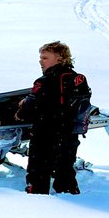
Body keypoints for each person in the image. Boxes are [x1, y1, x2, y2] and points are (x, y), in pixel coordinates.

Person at [14, 41, 92, 195]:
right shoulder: (79, 79)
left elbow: (31, 106)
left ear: (59, 58)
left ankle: (37, 196)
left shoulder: (45, 81)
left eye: (45, 58)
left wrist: (20, 112)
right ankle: (70, 195)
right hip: (69, 132)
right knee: (65, 168)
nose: (40, 61)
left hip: (45, 132)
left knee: (39, 170)